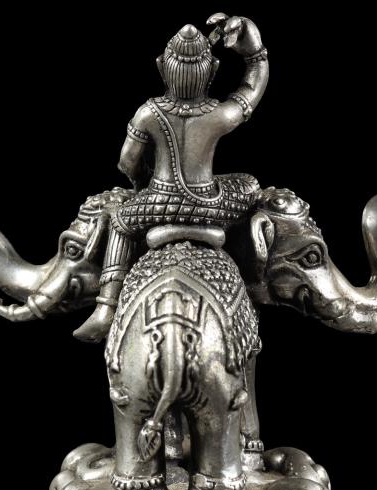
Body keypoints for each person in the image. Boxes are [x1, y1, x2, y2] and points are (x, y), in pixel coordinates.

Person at [74, 14, 269, 342]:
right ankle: (256, 279)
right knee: (249, 184)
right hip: (211, 205)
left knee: (120, 222)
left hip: (159, 203)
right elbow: (251, 88)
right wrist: (255, 54)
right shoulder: (219, 113)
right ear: (213, 71)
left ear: (162, 67)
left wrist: (144, 185)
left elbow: (126, 162)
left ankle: (106, 307)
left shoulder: (148, 113)